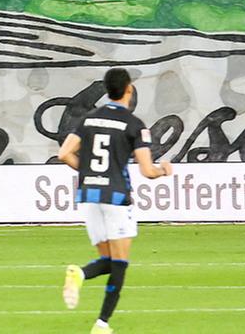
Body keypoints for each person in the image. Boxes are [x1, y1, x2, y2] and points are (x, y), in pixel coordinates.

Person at [59, 68, 171, 334]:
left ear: (108, 90)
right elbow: (147, 170)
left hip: (88, 196)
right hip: (116, 196)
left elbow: (64, 153)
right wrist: (164, 170)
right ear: (129, 89)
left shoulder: (89, 119)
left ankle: (83, 277)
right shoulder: (135, 125)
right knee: (119, 264)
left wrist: (87, 172)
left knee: (108, 260)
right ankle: (102, 322)